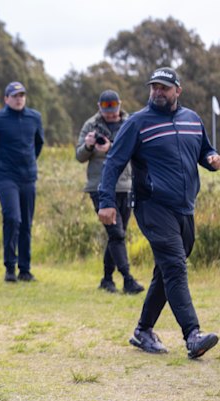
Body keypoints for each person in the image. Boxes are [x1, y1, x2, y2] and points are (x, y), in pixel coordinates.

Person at [99, 67, 220, 359]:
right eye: (154, 87)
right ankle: (192, 335)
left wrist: (211, 158)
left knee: (166, 270)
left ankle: (143, 330)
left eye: (164, 87)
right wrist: (106, 201)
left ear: (178, 91)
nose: (157, 92)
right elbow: (114, 162)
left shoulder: (193, 119)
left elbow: (203, 150)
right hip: (152, 205)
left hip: (185, 207)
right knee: (176, 267)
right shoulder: (138, 123)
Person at [76, 90, 144, 295]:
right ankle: (128, 279)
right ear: (99, 106)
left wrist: (112, 148)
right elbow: (79, 156)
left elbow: (139, 149)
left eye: (114, 109)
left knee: (116, 236)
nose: (111, 114)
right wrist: (88, 146)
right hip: (99, 186)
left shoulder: (130, 122)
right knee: (116, 233)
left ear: (120, 105)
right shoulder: (90, 125)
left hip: (126, 185)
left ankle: (107, 279)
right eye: (106, 109)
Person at [0, 81, 44, 282]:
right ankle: (10, 267)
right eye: (14, 96)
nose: (19, 99)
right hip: (5, 177)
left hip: (28, 177)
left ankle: (25, 269)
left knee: (26, 223)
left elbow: (38, 144)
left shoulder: (35, 117)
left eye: (22, 95)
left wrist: (30, 162)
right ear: (6, 98)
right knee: (13, 218)